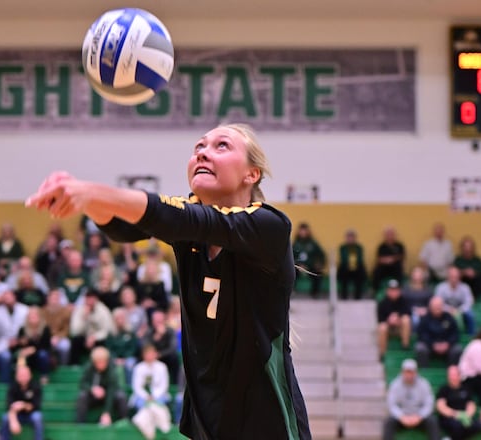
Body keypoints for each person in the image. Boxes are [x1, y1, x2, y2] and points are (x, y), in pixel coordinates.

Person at [25, 123, 311, 439]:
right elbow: (124, 227)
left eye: (221, 146)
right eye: (198, 147)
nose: (202, 152)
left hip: (265, 420)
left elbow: (179, 218)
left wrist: (91, 191)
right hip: (208, 417)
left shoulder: (268, 226)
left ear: (251, 174)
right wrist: (84, 200)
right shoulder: (190, 222)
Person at [383, 358, 441, 440]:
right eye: (407, 372)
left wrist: (420, 416)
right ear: (402, 372)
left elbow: (429, 403)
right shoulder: (395, 384)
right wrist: (401, 416)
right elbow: (391, 404)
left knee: (432, 421)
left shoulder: (424, 384)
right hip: (402, 417)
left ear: (416, 372)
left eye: (411, 372)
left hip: (419, 417)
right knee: (388, 422)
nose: (409, 375)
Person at [75, 346, 127, 425]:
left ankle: (123, 422)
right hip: (94, 396)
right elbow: (82, 383)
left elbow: (111, 390)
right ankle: (80, 425)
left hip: (109, 397)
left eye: (103, 362)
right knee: (82, 396)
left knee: (121, 396)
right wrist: (92, 389)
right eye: (98, 362)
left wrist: (106, 412)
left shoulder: (111, 370)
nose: (101, 365)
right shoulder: (89, 367)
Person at [130, 344, 172, 440]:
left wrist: (154, 396)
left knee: (153, 406)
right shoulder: (138, 368)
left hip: (159, 396)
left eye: (151, 354)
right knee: (147, 406)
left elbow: (164, 385)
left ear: (155, 354)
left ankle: (147, 429)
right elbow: (136, 387)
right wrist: (146, 396)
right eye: (147, 354)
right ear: (143, 355)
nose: (149, 356)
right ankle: (156, 429)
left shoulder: (162, 367)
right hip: (142, 397)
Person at [435, 365, 480, 440]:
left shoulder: (466, 388)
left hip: (464, 415)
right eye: (450, 375)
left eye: (454, 375)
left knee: (476, 425)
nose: (452, 377)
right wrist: (456, 414)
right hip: (449, 418)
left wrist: (467, 415)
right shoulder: (444, 389)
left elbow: (471, 404)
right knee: (457, 426)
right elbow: (440, 406)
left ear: (459, 375)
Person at [415, 296, 462, 367]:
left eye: (439, 306)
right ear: (430, 307)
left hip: (447, 345)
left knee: (457, 349)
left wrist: (448, 343)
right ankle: (424, 371)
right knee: (420, 348)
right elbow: (422, 335)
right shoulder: (425, 319)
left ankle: (452, 371)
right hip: (430, 346)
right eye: (435, 306)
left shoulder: (449, 317)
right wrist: (433, 344)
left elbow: (455, 334)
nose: (437, 308)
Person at [0, 366, 43, 440]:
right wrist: (13, 420)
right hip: (16, 414)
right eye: (21, 375)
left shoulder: (36, 386)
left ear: (30, 375)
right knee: (5, 418)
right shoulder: (12, 387)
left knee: (37, 417)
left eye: (25, 375)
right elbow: (9, 406)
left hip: (30, 414)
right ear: (16, 376)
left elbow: (36, 405)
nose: (23, 377)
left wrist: (23, 405)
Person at [434, 267, 476, 335]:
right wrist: (449, 309)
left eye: (456, 277)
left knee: (470, 314)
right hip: (445, 310)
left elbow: (469, 302)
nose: (454, 279)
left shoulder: (465, 287)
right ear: (447, 277)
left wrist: (458, 310)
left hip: (461, 311)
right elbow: (437, 303)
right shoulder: (440, 287)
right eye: (452, 277)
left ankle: (471, 335)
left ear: (459, 277)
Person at [377, 279, 411, 360]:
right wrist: (389, 321)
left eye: (396, 290)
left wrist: (398, 319)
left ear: (399, 291)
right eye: (391, 290)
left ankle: (405, 346)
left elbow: (408, 313)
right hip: (388, 329)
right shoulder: (382, 303)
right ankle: (382, 354)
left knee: (406, 320)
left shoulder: (404, 301)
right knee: (382, 327)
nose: (394, 292)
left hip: (400, 328)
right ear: (387, 291)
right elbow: (380, 319)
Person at [292, 222, 326, 298]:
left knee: (318, 273)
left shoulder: (313, 243)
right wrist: (298, 264)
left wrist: (319, 264)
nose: (303, 232)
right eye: (301, 230)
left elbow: (321, 255)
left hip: (311, 266)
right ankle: (292, 291)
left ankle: (315, 293)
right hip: (298, 266)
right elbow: (291, 256)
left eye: (305, 230)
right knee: (291, 272)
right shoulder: (295, 243)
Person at [372, 227, 406, 292]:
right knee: (376, 272)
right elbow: (379, 259)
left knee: (399, 270)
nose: (389, 236)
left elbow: (402, 256)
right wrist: (387, 260)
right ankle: (375, 291)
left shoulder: (399, 245)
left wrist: (392, 259)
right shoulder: (381, 246)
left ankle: (399, 291)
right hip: (384, 267)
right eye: (388, 234)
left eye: (391, 234)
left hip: (395, 267)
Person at [336, 229, 367, 299]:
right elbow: (343, 259)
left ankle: (357, 297)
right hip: (346, 268)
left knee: (360, 273)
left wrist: (354, 264)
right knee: (343, 273)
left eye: (352, 237)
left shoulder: (359, 247)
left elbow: (360, 259)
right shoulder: (342, 247)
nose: (350, 239)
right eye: (348, 237)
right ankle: (344, 296)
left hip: (356, 268)